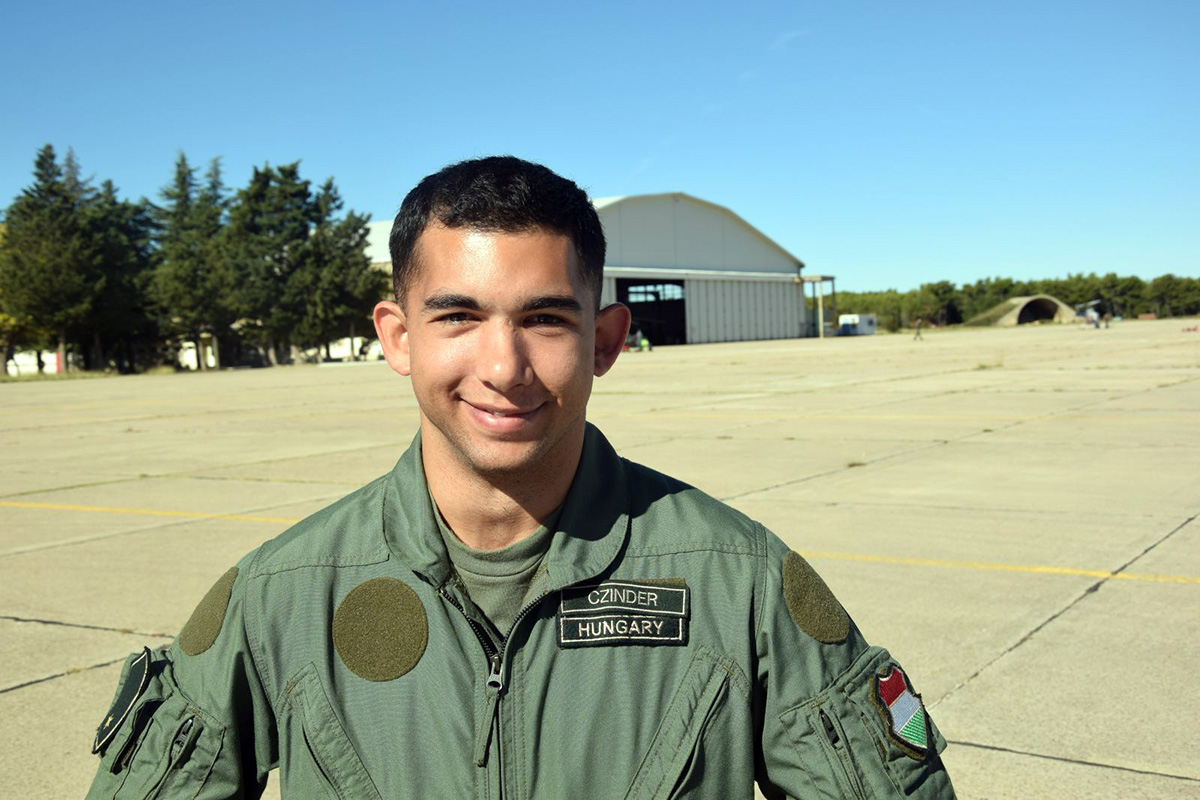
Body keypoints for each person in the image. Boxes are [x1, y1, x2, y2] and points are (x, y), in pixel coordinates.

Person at [86, 156, 955, 798]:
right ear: (397, 338)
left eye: (544, 319)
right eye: (458, 317)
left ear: (605, 341)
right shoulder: (283, 596)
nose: (503, 367)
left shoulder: (741, 584)